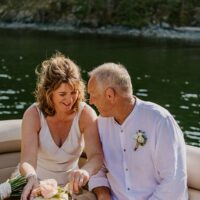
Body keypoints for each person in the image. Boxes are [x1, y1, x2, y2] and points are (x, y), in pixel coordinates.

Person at [87, 63, 188, 200]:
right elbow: (98, 169)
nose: (91, 101)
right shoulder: (101, 123)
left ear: (110, 95)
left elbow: (174, 183)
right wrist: (103, 194)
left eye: (93, 95)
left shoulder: (160, 121)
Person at [19, 53, 103, 200]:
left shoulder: (86, 114)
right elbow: (27, 161)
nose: (69, 99)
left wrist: (86, 171)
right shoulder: (33, 115)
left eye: (73, 92)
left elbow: (96, 156)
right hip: (35, 184)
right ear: (49, 93)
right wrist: (31, 177)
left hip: (71, 189)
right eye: (62, 94)